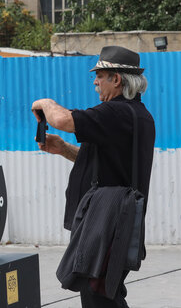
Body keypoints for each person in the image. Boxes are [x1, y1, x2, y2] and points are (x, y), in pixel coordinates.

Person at [31, 46, 155, 308]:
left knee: (99, 294)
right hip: (110, 222)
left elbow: (63, 120)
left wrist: (45, 103)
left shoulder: (117, 113)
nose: (95, 82)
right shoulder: (135, 116)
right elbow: (107, 163)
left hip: (108, 223)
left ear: (116, 79)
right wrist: (63, 149)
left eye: (99, 76)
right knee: (101, 292)